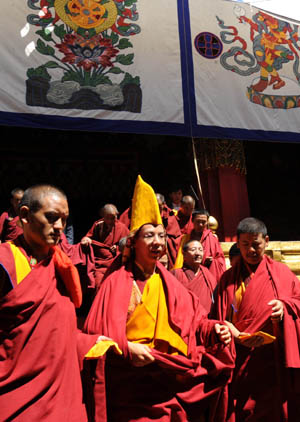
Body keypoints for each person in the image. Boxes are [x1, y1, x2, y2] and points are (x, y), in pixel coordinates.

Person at [84, 176, 235, 422]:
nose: (157, 242)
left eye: (161, 235)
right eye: (149, 236)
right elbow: (95, 333)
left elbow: (195, 321)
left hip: (167, 381)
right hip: (128, 385)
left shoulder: (170, 283)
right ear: (133, 243)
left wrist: (215, 329)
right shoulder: (116, 283)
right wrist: (126, 348)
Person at [0, 184, 111, 422]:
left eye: (64, 219)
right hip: (16, 397)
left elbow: (55, 326)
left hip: (61, 400)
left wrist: (87, 341)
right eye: (51, 218)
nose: (60, 227)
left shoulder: (60, 265)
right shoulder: (5, 261)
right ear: (25, 216)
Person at [214, 217, 300, 421]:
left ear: (267, 241)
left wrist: (284, 306)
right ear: (237, 243)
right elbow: (216, 317)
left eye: (256, 244)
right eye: (245, 244)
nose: (251, 250)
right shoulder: (228, 279)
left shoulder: (282, 273)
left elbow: (297, 301)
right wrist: (231, 331)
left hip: (273, 356)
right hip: (240, 356)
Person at [81, 204, 129, 287]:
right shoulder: (98, 226)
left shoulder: (122, 227)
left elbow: (128, 243)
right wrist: (86, 239)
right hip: (100, 263)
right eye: (107, 218)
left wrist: (118, 247)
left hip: (115, 262)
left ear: (117, 216)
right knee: (98, 283)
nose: (110, 221)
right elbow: (87, 238)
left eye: (113, 217)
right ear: (103, 217)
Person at [174, 209, 226, 282]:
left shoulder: (212, 238)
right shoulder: (185, 238)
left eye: (203, 222)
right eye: (198, 221)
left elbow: (220, 259)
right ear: (192, 221)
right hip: (188, 274)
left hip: (207, 274)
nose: (200, 225)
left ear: (207, 222)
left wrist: (212, 261)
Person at [172, 239, 217, 315]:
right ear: (184, 254)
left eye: (200, 250)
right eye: (193, 250)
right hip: (184, 318)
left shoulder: (207, 275)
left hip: (207, 320)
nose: (198, 253)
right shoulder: (176, 274)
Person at [156, 193, 181, 268]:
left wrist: (165, 239)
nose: (155, 207)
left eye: (158, 205)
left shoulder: (170, 216)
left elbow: (176, 238)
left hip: (167, 252)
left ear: (164, 204)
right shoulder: (147, 216)